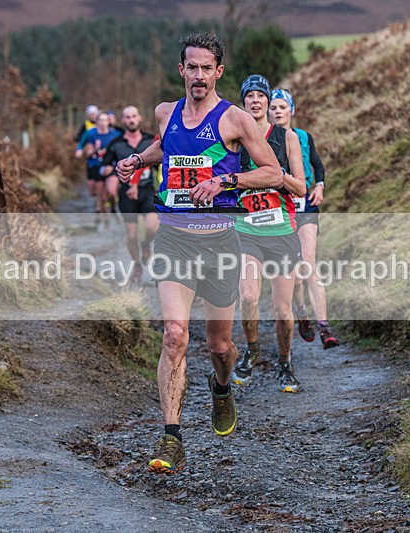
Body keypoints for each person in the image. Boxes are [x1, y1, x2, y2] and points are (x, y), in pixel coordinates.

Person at [115, 32, 282, 474]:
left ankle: (222, 387)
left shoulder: (235, 120)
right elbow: (165, 148)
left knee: (219, 345)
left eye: (207, 68)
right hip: (173, 238)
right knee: (174, 334)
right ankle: (172, 439)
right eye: (192, 67)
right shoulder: (165, 113)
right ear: (181, 70)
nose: (199, 76)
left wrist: (224, 182)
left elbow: (273, 172)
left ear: (219, 72)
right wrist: (137, 160)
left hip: (220, 242)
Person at [230, 75, 307, 393]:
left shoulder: (285, 136)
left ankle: (286, 362)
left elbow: (301, 186)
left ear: (268, 101)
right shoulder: (234, 137)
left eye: (262, 96)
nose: (257, 101)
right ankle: (251, 350)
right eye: (250, 97)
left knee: (281, 308)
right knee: (248, 295)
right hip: (247, 228)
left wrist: (277, 177)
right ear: (244, 102)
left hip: (281, 230)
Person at [268, 88, 340, 349]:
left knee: (308, 264)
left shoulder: (303, 137)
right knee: (294, 274)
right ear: (267, 111)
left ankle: (325, 327)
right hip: (277, 208)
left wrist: (319, 185)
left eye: (282, 107)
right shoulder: (263, 138)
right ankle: (301, 312)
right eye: (273, 107)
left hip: (304, 205)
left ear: (291, 111)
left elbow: (318, 165)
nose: (277, 111)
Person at [100, 106, 159, 283]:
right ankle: (136, 264)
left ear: (139, 118)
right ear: (123, 121)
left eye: (134, 116)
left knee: (152, 227)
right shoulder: (116, 144)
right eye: (127, 117)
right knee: (131, 234)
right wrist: (107, 170)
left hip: (147, 190)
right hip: (126, 194)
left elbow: (160, 162)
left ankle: (147, 244)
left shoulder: (151, 140)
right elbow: (104, 166)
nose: (131, 120)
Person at [82, 112, 121, 220]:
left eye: (105, 120)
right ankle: (105, 221)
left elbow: (120, 152)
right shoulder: (92, 135)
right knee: (101, 197)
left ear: (109, 122)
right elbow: (87, 153)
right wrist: (95, 148)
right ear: (97, 122)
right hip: (96, 167)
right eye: (101, 120)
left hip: (111, 167)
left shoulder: (115, 135)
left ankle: (113, 208)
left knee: (112, 192)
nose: (103, 123)